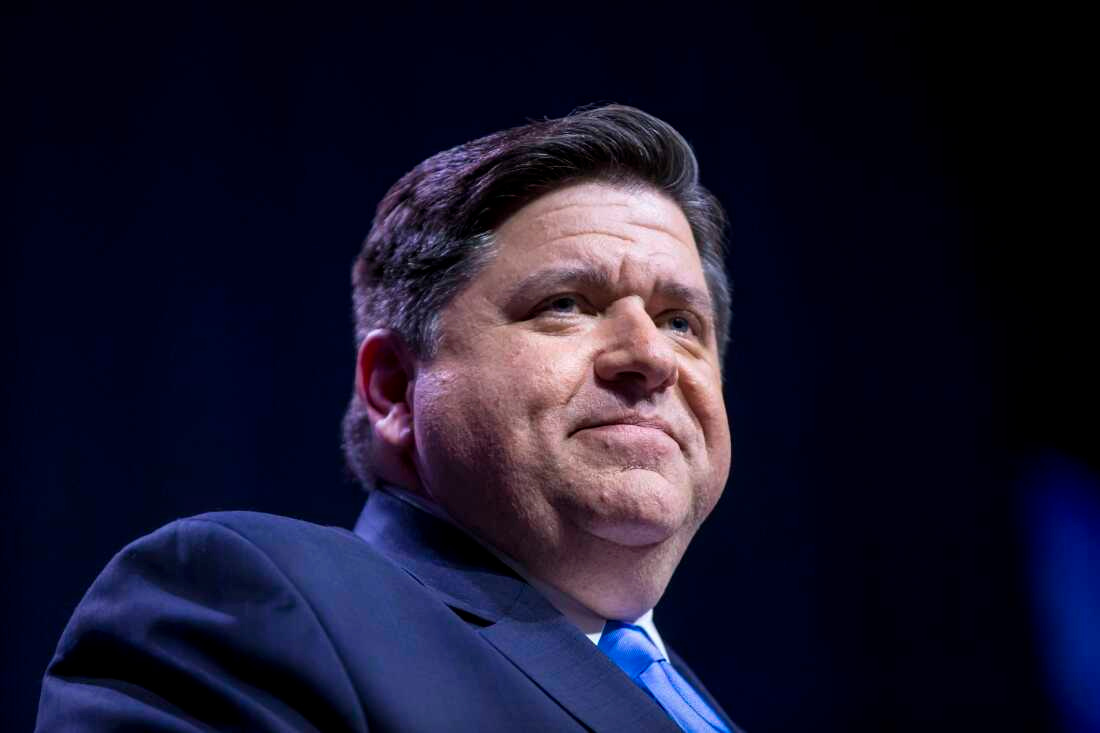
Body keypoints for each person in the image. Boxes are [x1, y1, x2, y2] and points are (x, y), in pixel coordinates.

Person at [36, 104, 743, 732]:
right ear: (394, 388)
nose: (650, 355)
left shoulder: (690, 697)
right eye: (564, 303)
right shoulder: (246, 605)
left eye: (681, 321)